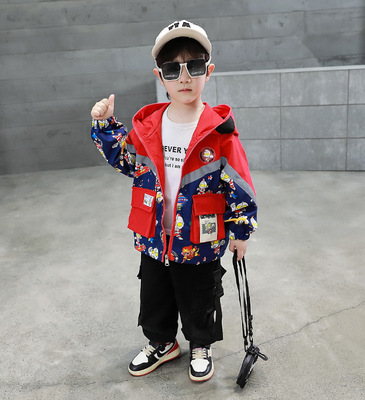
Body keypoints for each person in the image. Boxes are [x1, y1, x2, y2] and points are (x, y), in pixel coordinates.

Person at [90, 20, 257, 383]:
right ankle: (162, 342)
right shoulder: (147, 127)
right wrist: (106, 126)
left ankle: (200, 344)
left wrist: (241, 231)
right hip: (154, 237)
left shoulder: (220, 132)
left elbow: (240, 184)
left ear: (208, 72)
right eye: (172, 69)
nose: (184, 77)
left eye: (194, 66)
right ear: (160, 77)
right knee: (155, 295)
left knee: (200, 296)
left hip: (200, 238)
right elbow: (127, 161)